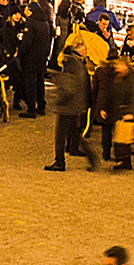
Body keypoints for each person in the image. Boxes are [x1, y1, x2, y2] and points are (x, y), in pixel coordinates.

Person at [44, 41, 97, 171]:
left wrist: (59, 99)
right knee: (76, 134)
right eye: (84, 50)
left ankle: (59, 162)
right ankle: (92, 158)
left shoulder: (71, 64)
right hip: (77, 105)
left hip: (68, 106)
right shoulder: (79, 65)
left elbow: (68, 87)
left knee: (60, 136)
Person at [92, 50, 134, 171]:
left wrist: (130, 112)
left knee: (123, 139)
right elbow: (112, 94)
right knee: (119, 139)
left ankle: (124, 162)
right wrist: (104, 108)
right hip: (118, 111)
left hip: (126, 112)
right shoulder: (118, 77)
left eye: (119, 65)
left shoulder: (131, 78)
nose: (117, 67)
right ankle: (122, 161)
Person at [17, 0, 54, 118]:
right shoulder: (45, 22)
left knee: (31, 84)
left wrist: (21, 53)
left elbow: (27, 42)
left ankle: (31, 109)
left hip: (31, 58)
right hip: (42, 57)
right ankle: (41, 106)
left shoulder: (31, 23)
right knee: (40, 83)